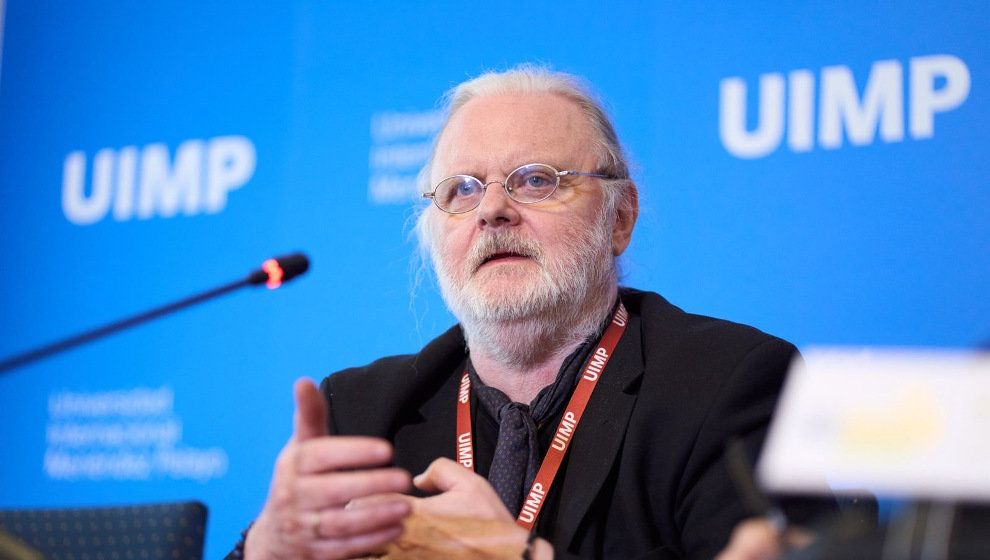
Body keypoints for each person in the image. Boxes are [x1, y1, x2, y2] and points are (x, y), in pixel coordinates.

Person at [235, 65, 811, 560]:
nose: (490, 210)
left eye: (535, 181)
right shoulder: (360, 415)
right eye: (461, 190)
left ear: (619, 219)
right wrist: (267, 549)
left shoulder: (730, 385)